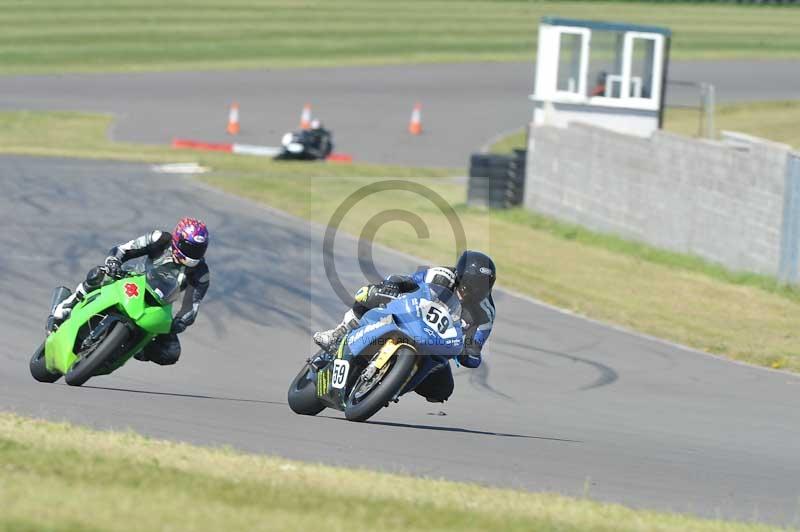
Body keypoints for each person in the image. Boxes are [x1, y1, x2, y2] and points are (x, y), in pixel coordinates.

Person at [313, 250, 496, 402]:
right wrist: (393, 285)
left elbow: (475, 345)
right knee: (371, 294)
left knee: (442, 390)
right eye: (469, 285)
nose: (474, 292)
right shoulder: (441, 275)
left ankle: (393, 383)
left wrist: (469, 353)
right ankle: (339, 332)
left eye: (482, 288)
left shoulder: (486, 313)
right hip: (409, 318)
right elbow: (409, 281)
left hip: (435, 345)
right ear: (460, 276)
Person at [50, 218, 210, 366]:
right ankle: (66, 305)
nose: (192, 254)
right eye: (189, 247)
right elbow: (124, 249)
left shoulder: (201, 273)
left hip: (159, 304)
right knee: (99, 274)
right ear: (177, 240)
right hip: (132, 281)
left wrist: (180, 322)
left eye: (198, 250)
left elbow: (192, 305)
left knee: (171, 353)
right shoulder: (160, 239)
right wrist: (114, 262)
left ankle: (134, 347)